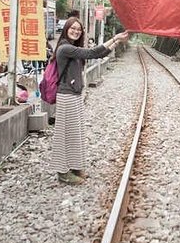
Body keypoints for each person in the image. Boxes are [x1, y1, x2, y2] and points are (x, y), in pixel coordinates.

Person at [52, 17, 129, 185]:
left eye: (78, 29)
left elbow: (98, 54)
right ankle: (63, 172)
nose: (75, 31)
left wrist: (116, 42)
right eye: (72, 28)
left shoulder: (72, 48)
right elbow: (92, 53)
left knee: (75, 133)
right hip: (66, 95)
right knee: (64, 134)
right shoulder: (65, 48)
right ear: (66, 29)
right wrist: (115, 38)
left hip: (74, 94)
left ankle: (74, 167)